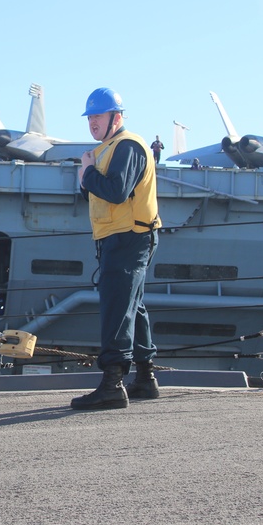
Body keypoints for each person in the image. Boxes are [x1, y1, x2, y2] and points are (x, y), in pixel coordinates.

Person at [73, 87, 162, 411]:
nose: (93, 123)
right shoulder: (108, 148)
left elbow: (117, 191)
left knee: (116, 307)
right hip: (121, 237)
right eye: (91, 117)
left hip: (128, 237)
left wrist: (88, 172)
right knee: (132, 308)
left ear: (116, 116)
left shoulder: (127, 146)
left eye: (98, 116)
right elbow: (97, 194)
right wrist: (89, 176)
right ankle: (145, 378)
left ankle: (112, 384)